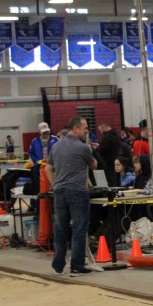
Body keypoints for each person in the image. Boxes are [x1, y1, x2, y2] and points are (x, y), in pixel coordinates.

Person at [47, 117, 98, 277]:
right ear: (76, 129)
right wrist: (91, 152)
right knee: (79, 228)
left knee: (60, 229)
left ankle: (58, 266)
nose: (87, 130)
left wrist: (55, 185)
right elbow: (94, 165)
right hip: (77, 192)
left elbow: (48, 169)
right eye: (85, 128)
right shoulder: (82, 147)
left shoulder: (56, 146)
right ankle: (76, 266)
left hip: (59, 192)